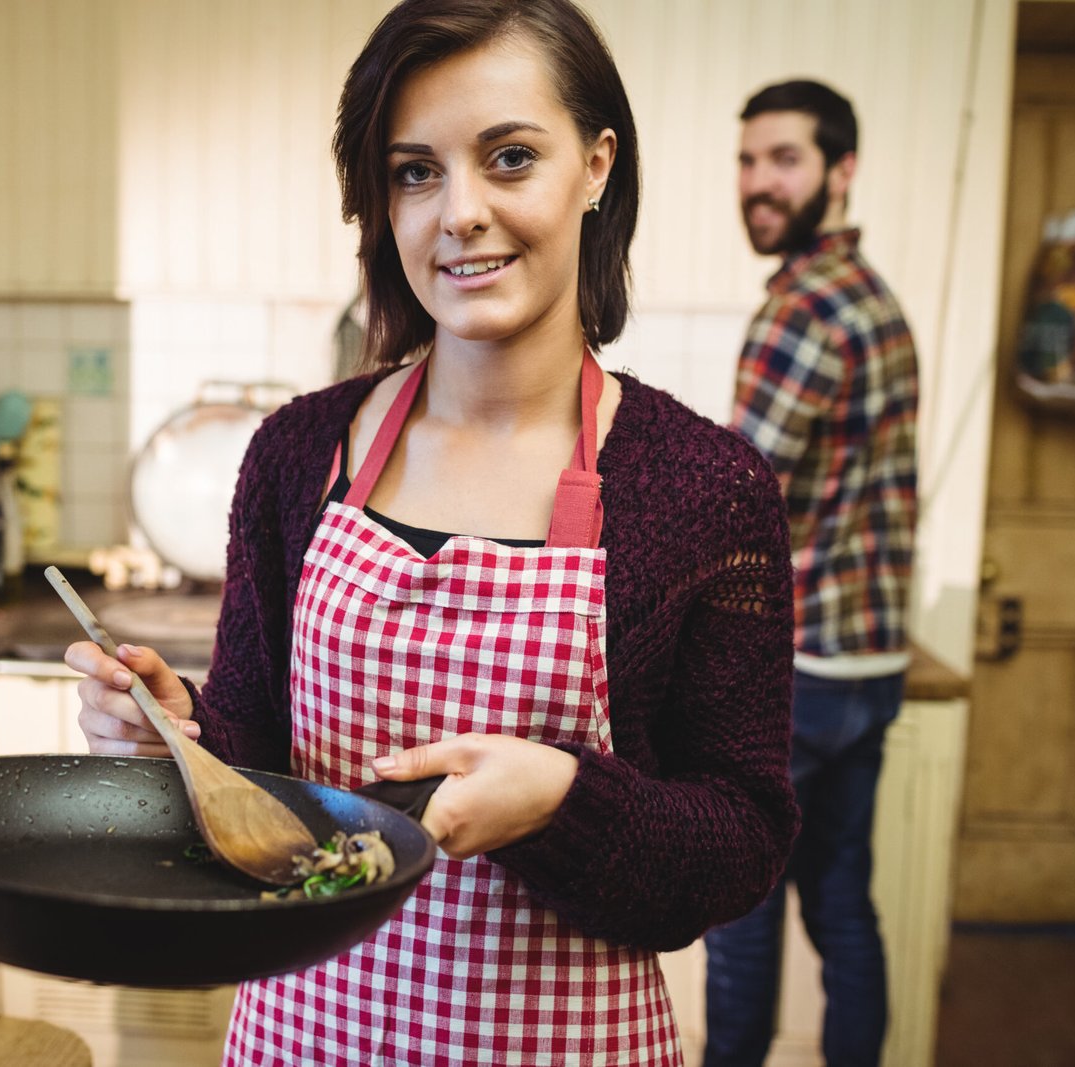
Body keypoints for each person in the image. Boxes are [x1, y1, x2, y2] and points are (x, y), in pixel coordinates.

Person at [68, 2, 798, 1063]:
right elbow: (256, 774)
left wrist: (563, 801)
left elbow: (740, 842)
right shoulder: (295, 454)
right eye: (415, 171)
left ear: (596, 165)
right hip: (303, 1035)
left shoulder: (703, 490)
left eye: (509, 158)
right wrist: (176, 740)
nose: (459, 212)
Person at [702, 79, 919, 1067]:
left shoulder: (800, 312)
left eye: (783, 160)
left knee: (740, 906)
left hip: (799, 673)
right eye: (748, 161)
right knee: (840, 901)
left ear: (841, 169)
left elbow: (735, 504)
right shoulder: (873, 299)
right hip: (870, 664)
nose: (758, 184)